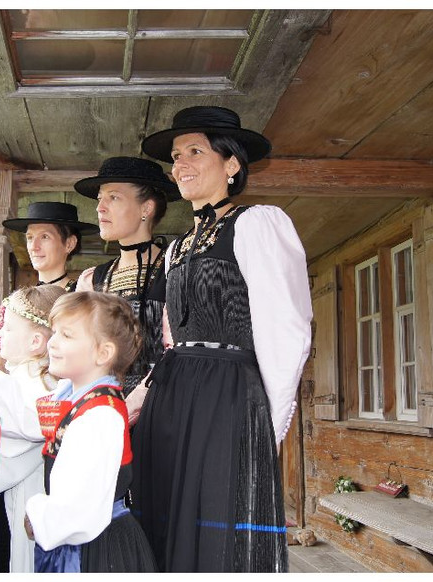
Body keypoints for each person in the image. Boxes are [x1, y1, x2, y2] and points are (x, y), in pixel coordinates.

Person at [132, 106, 312, 572]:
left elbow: (286, 328)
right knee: (168, 520)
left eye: (195, 151)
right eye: (176, 156)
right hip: (173, 397)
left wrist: (268, 425)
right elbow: (172, 339)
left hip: (227, 397)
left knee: (217, 522)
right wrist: (136, 401)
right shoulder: (176, 247)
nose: (180, 164)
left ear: (231, 164)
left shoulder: (257, 223)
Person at [0, 201, 97, 569]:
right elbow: (4, 354)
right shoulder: (16, 301)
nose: (34, 245)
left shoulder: (82, 296)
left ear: (70, 243)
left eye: (45, 236)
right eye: (30, 237)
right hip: (22, 399)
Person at [25, 291, 156, 573]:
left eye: (67, 335)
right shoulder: (80, 402)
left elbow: (77, 512)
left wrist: (37, 514)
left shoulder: (99, 416)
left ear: (103, 353)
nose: (52, 342)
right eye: (54, 332)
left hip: (96, 549)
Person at [0, 285, 67, 573]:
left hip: (25, 499)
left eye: (8, 328)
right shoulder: (22, 377)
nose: (0, 333)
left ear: (35, 342)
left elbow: (28, 422)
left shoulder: (41, 382)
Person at [73, 156, 180, 411]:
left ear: (146, 209)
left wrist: (129, 407)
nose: (100, 208)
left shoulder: (174, 271)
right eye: (100, 198)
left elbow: (175, 352)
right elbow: (78, 348)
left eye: (114, 197)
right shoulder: (92, 279)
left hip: (160, 409)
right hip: (99, 409)